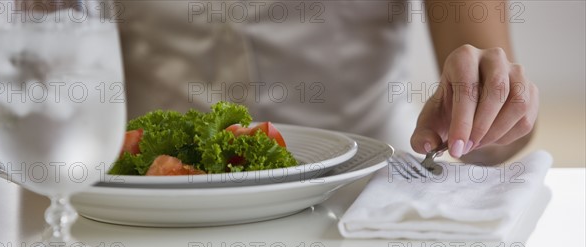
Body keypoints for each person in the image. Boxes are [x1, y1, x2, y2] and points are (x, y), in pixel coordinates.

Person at [118, 0, 538, 165]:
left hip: (365, 218)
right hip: (137, 219)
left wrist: (489, 110)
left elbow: (501, 138)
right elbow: (55, 64)